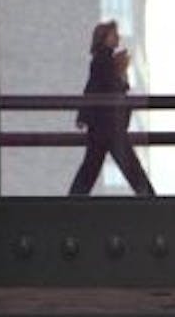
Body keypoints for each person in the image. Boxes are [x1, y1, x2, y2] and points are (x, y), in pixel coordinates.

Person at [67, 20, 156, 197]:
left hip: (100, 127)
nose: (118, 37)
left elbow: (92, 89)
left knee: (90, 168)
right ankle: (152, 202)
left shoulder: (101, 60)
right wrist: (121, 73)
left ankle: (71, 203)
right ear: (105, 38)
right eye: (114, 34)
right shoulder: (105, 60)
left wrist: (83, 117)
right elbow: (112, 89)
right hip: (110, 126)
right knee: (130, 167)